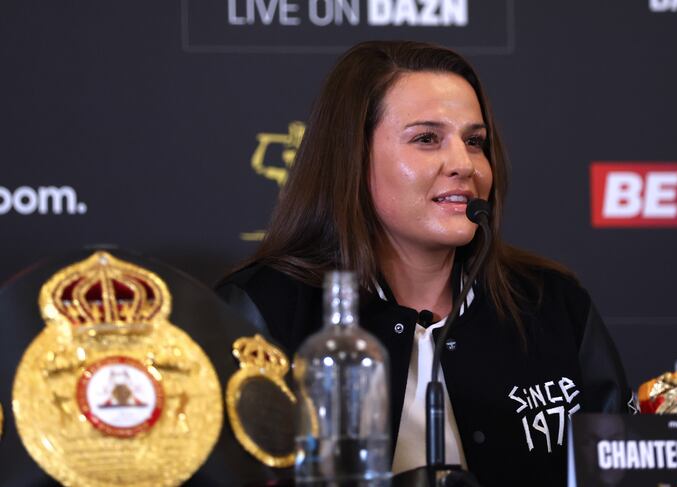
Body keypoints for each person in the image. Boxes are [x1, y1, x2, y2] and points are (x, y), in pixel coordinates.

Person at [217, 40, 634, 486]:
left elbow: (623, 474)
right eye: (426, 138)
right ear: (352, 159)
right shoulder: (261, 309)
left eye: (475, 142)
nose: (464, 164)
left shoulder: (554, 303)